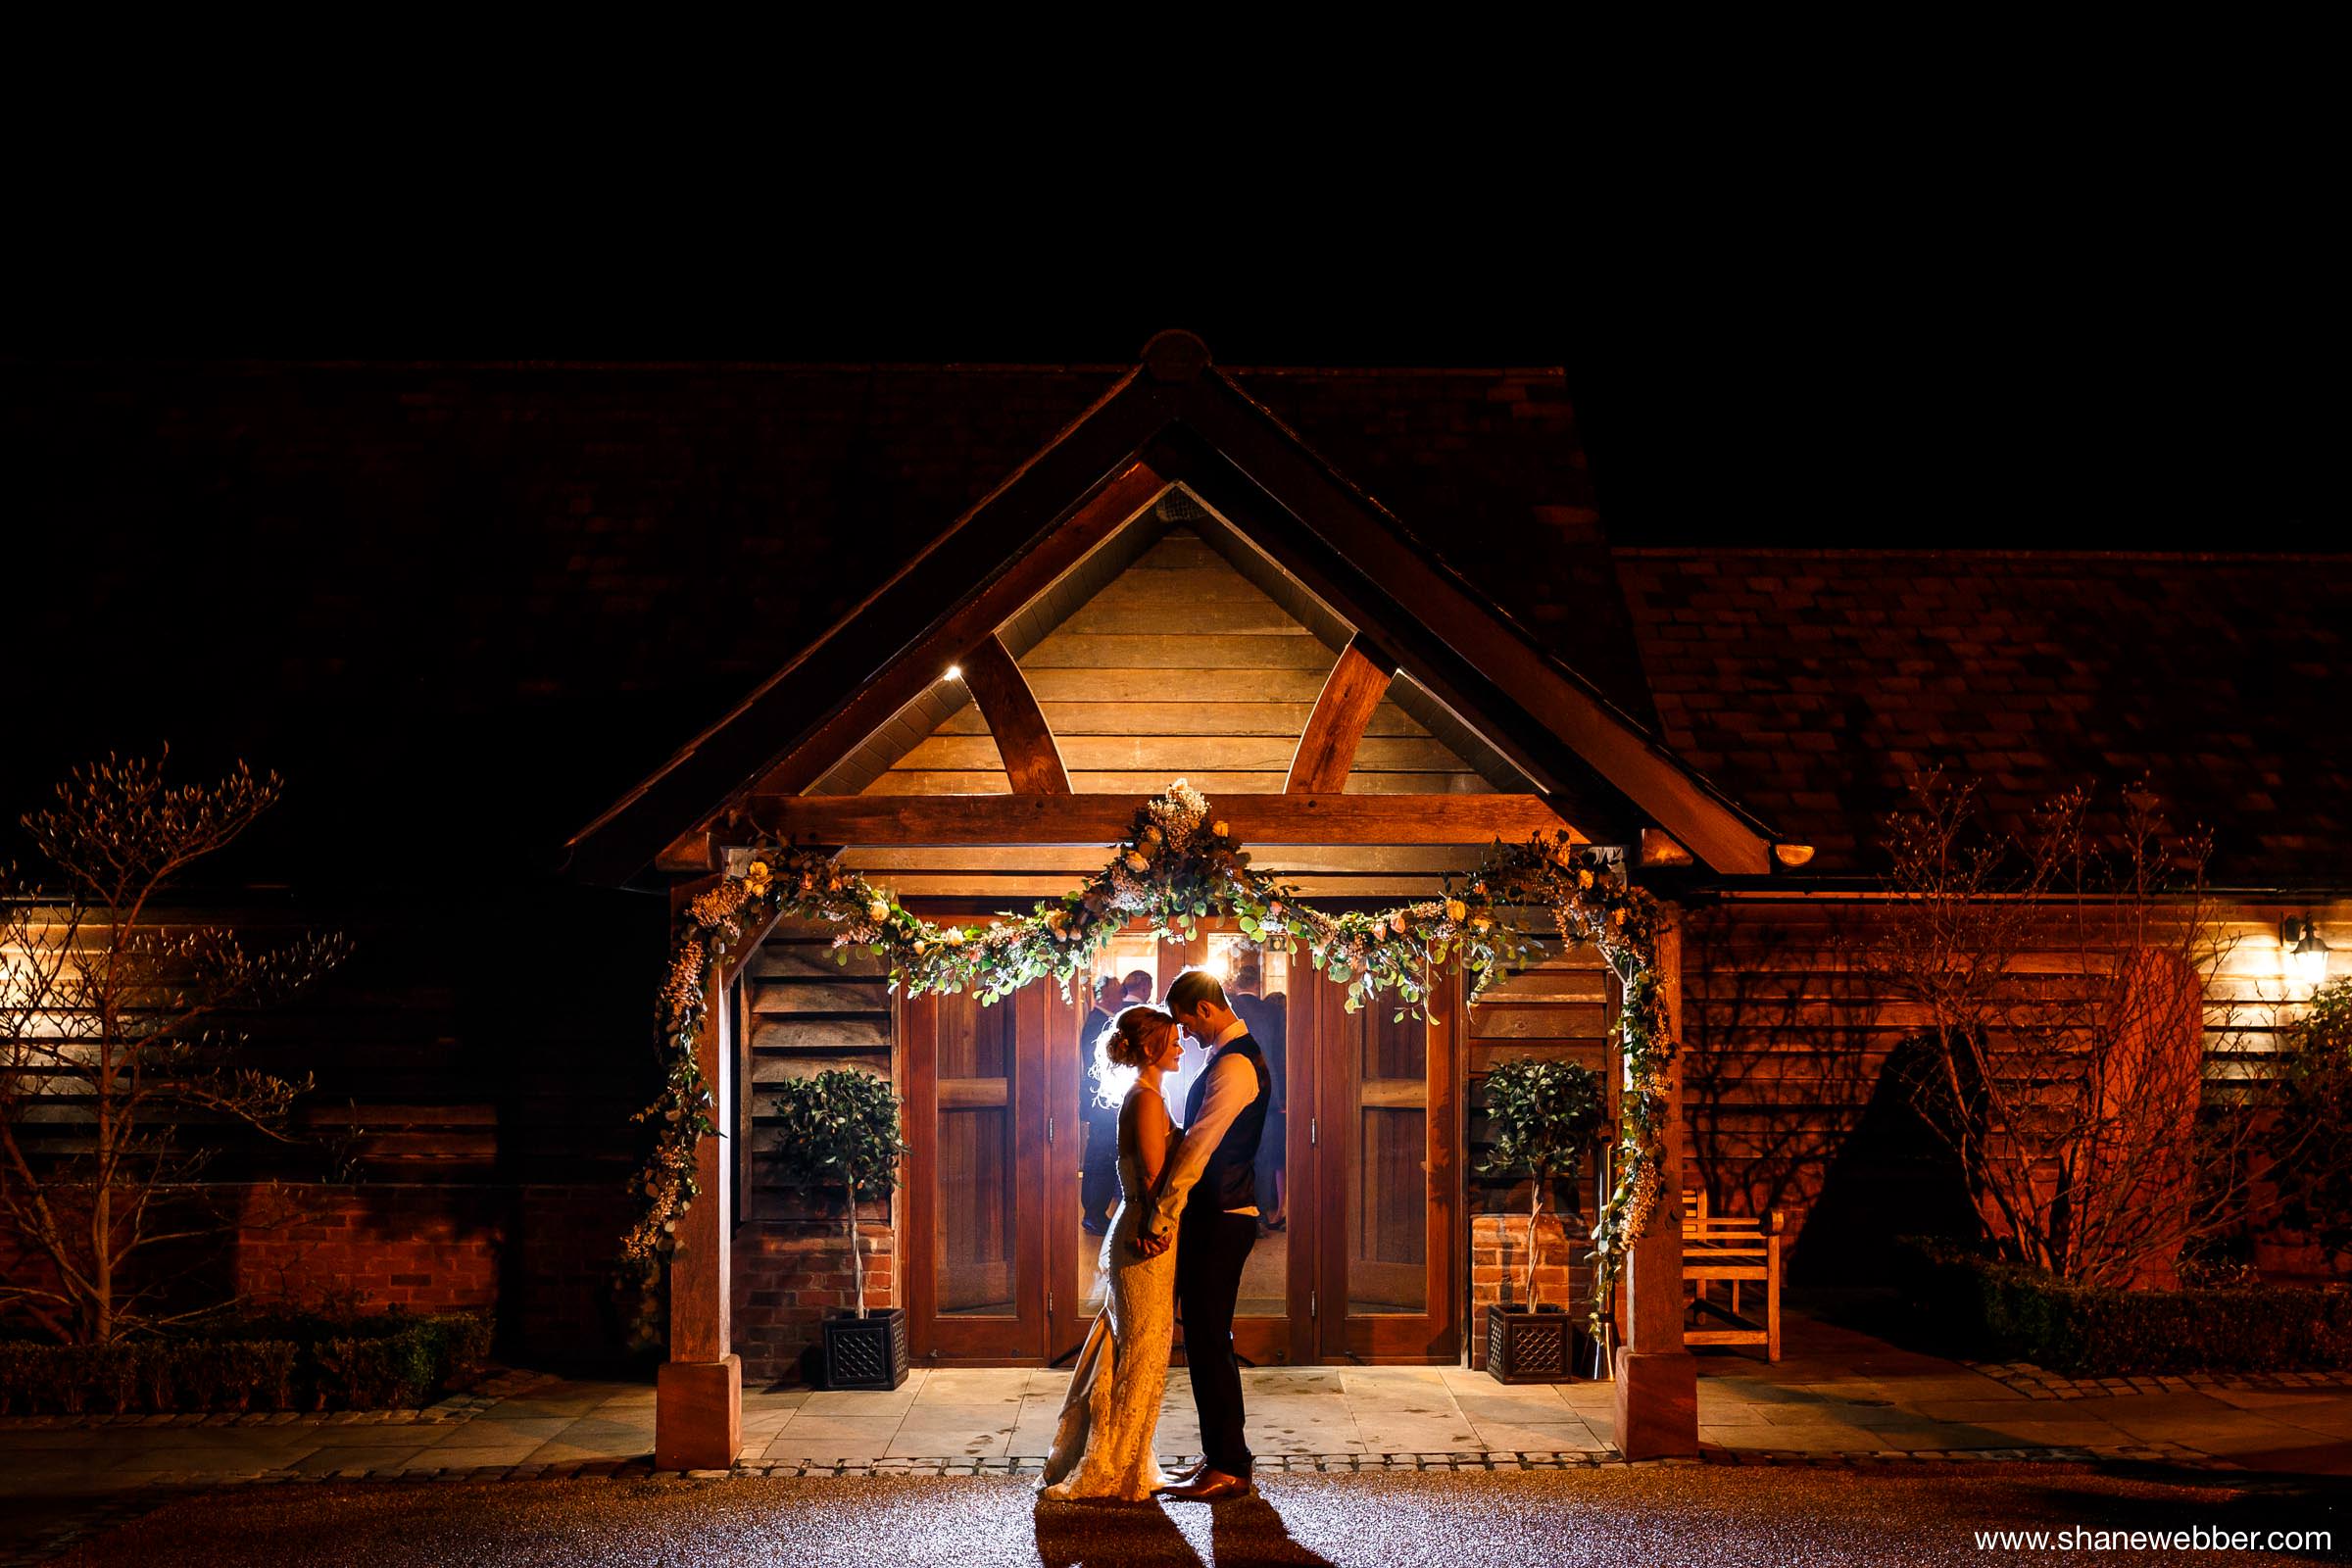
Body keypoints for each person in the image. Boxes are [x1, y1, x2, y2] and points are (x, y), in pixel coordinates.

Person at [1039, 1004, 1187, 1502]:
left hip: (1144, 1231)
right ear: (1150, 1048)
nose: (1181, 1047)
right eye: (1173, 1040)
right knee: (1141, 1347)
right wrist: (1158, 1222)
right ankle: (1113, 1464)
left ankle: (1127, 1458)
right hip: (1145, 1235)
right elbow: (1150, 1178)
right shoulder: (1144, 1100)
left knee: (1138, 1345)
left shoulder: (1149, 1095)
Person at [1134, 967, 1269, 1502]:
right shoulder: (1227, 1059)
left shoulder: (1235, 1066)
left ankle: (1231, 1465)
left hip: (1224, 1215)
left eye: (1187, 1025)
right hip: (1217, 1214)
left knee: (1211, 1340)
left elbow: (1198, 1149)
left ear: (1206, 1010)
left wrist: (1162, 1214)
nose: (1185, 1036)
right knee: (1207, 1339)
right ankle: (1220, 1455)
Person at [1077, 974, 1122, 1235]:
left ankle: (1094, 1211)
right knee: (1101, 1156)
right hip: (1103, 1101)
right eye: (1118, 990)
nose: (1121, 995)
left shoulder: (1101, 1020)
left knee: (1099, 1155)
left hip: (1101, 1101)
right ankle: (1094, 1212)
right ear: (1104, 993)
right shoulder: (1099, 1023)